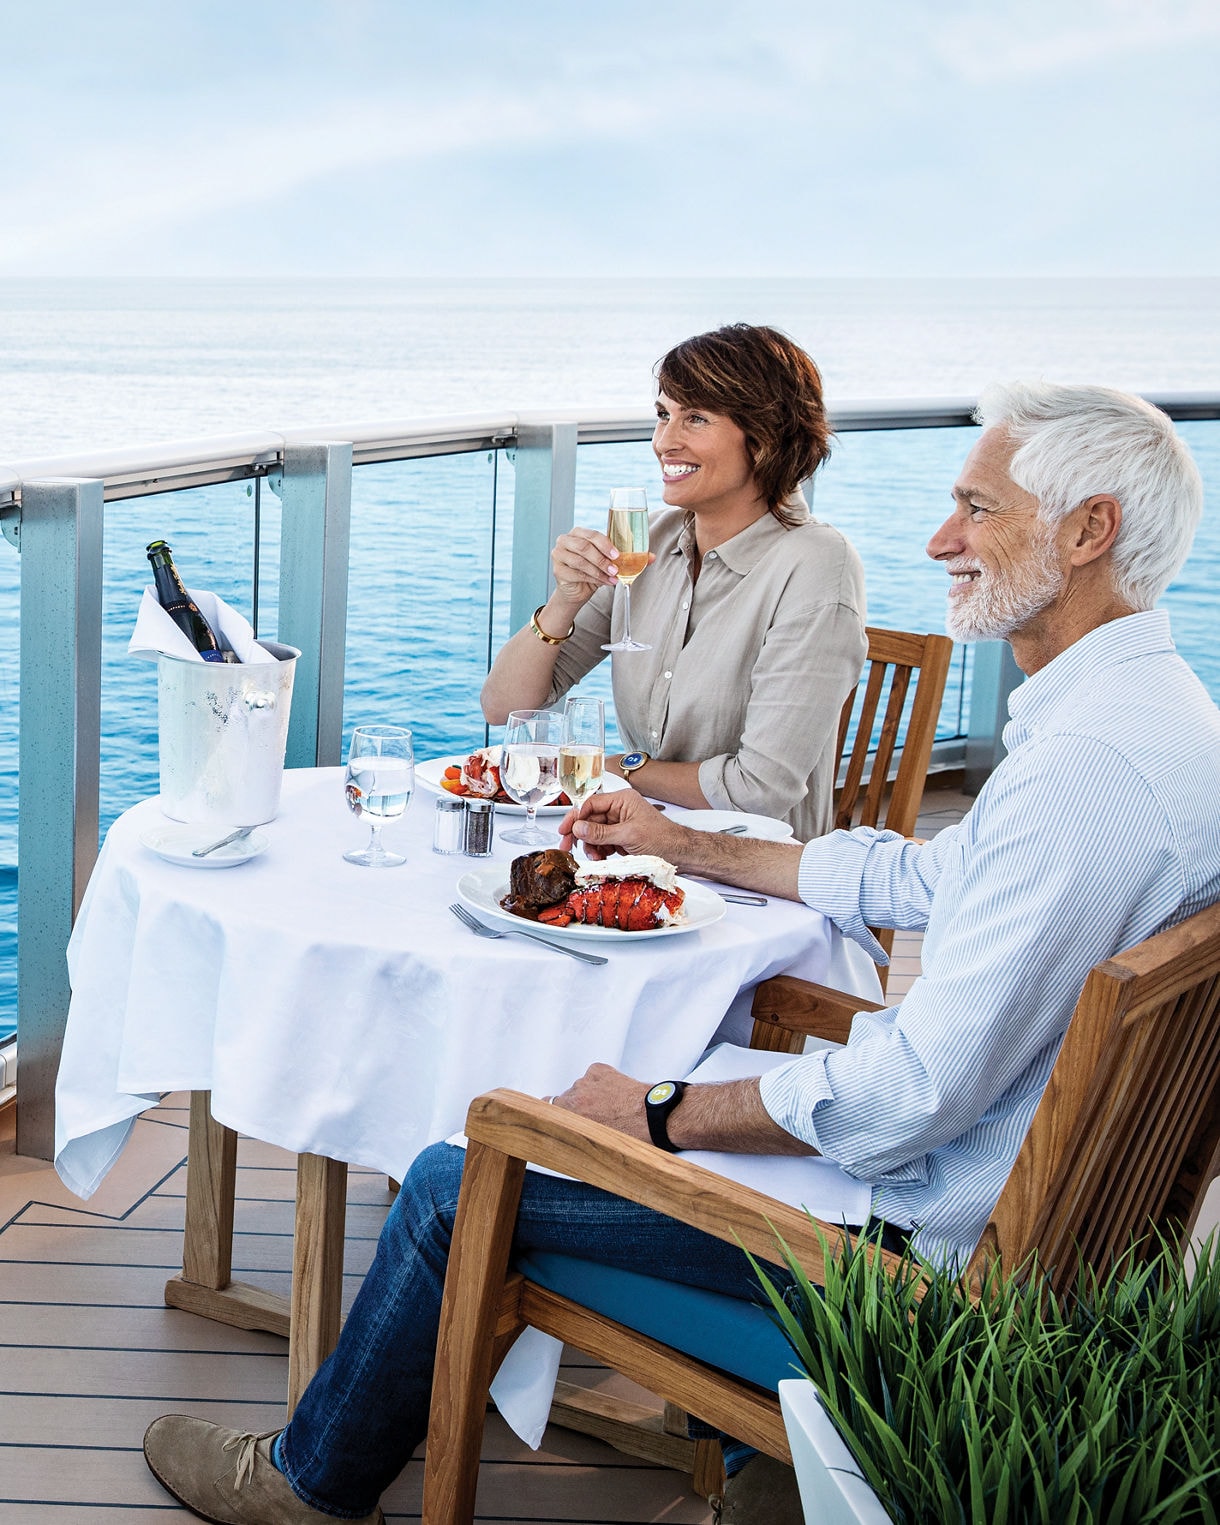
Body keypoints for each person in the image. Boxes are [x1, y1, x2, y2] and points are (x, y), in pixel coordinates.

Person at [143, 382, 1220, 1525]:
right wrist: (696, 850)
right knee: (684, 1059)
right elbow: (935, 879)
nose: (939, 538)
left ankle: (308, 1485)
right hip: (1031, 1232)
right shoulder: (1155, 724)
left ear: (1086, 531)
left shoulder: (1079, 776)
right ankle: (745, 1478)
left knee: (460, 1171)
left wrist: (652, 1109)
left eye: (975, 507)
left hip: (907, 1272)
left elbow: (905, 1096)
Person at [481, 323, 867, 840]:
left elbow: (761, 789)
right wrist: (565, 602)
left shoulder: (817, 565)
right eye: (663, 415)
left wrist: (617, 770)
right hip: (637, 842)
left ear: (766, 436)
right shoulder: (652, 544)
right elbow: (504, 708)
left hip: (751, 870)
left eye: (697, 418)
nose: (665, 441)